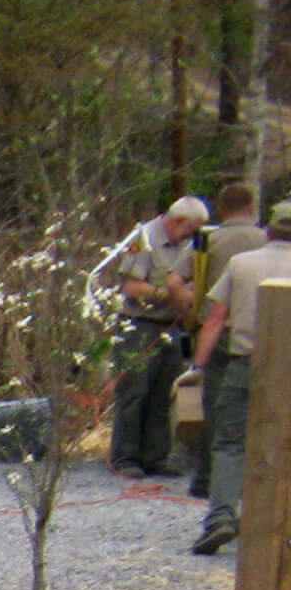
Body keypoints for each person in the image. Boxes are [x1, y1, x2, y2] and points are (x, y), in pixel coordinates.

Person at [184, 195, 291, 556]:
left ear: (269, 230)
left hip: (246, 363)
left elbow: (215, 319)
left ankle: (221, 519)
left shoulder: (241, 263)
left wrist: (197, 366)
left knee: (230, 443)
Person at [98, 193, 211, 479]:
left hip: (175, 327)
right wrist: (171, 294)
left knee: (165, 392)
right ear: (177, 221)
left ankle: (156, 457)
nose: (195, 235)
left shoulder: (193, 244)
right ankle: (125, 457)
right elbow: (131, 287)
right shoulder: (143, 238)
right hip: (140, 325)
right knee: (134, 392)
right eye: (192, 228)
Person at [189, 183, 267, 498]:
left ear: (221, 209)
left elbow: (183, 283)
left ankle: (208, 478)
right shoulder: (266, 240)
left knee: (218, 409)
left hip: (220, 333)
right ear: (252, 207)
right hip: (267, 333)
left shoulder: (208, 241)